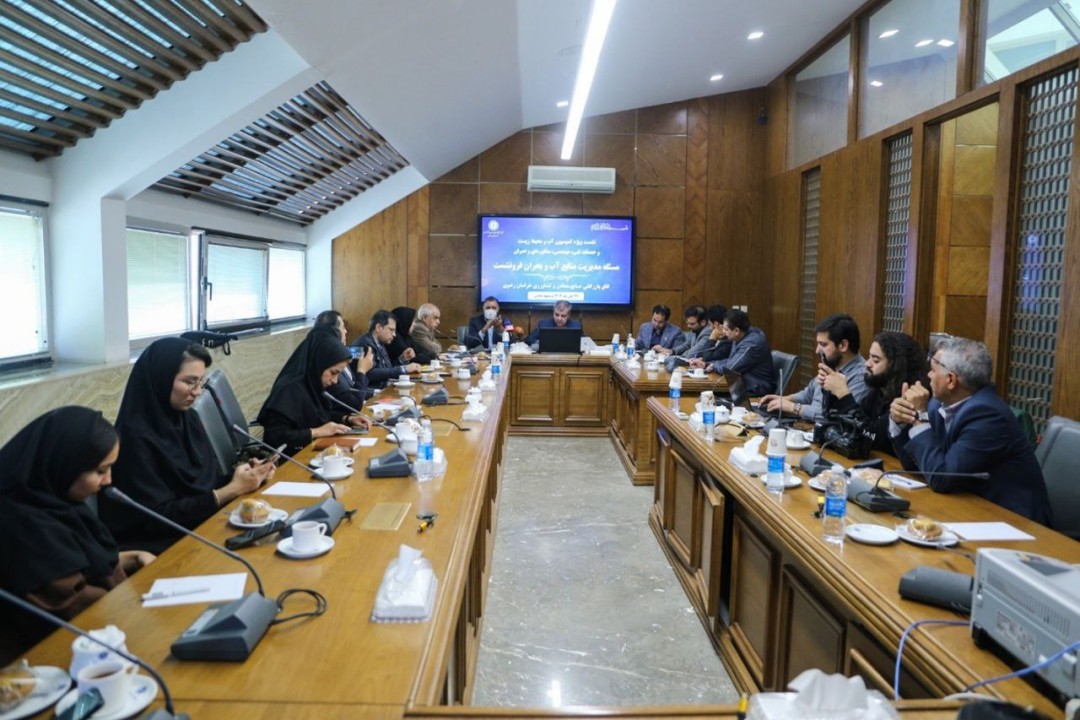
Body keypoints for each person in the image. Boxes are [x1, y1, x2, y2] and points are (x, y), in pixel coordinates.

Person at [0, 407, 156, 664]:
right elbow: (73, 605)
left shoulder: (55, 499)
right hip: (52, 661)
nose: (108, 480)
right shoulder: (18, 523)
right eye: (101, 471)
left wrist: (133, 556)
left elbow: (79, 561)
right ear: (64, 465)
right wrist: (141, 605)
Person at [99, 339, 276, 554]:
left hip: (201, 527)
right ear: (162, 379)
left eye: (200, 381)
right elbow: (156, 518)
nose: (198, 391)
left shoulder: (188, 419)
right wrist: (230, 490)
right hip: (161, 547)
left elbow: (204, 486)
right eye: (190, 382)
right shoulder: (132, 439)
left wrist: (244, 476)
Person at [889, 337, 1051, 524]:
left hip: (1015, 521)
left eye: (933, 370)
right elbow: (916, 465)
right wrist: (899, 421)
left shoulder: (987, 416)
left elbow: (942, 478)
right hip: (967, 504)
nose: (929, 375)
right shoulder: (938, 404)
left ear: (951, 380)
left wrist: (920, 419)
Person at [258, 328, 372, 454]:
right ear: (319, 364)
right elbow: (274, 437)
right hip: (288, 459)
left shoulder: (312, 385)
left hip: (312, 451)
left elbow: (319, 416)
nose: (335, 381)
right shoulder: (289, 389)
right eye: (333, 373)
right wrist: (316, 432)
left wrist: (347, 419)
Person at [820, 331, 928, 454]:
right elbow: (849, 426)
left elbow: (872, 437)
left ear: (896, 366)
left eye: (876, 360)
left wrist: (844, 395)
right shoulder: (878, 391)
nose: (867, 363)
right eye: (869, 357)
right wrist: (833, 393)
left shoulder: (909, 397)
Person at [759, 313, 868, 421]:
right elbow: (808, 394)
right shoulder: (832, 365)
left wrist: (794, 407)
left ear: (843, 345)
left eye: (823, 344)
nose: (817, 350)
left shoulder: (861, 377)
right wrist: (784, 399)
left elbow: (838, 418)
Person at [699, 308, 775, 395]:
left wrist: (713, 366)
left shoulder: (752, 343)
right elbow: (731, 361)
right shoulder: (740, 335)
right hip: (742, 384)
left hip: (756, 388)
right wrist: (707, 364)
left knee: (708, 395)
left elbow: (730, 369)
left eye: (726, 329)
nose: (723, 332)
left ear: (736, 331)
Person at [315, 310, 374, 405]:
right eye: (343, 327)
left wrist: (376, 393)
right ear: (334, 332)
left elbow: (365, 353)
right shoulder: (327, 362)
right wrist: (362, 370)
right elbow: (354, 402)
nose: (346, 331)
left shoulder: (348, 350)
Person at [353, 309, 422, 389]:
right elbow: (369, 373)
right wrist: (404, 369)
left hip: (385, 387)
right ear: (378, 327)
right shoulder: (362, 344)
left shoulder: (381, 343)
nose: (394, 334)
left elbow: (387, 369)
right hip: (372, 392)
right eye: (391, 330)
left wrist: (402, 359)